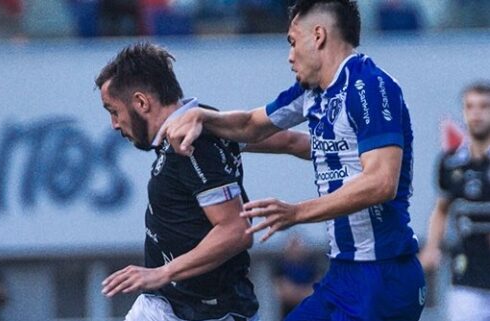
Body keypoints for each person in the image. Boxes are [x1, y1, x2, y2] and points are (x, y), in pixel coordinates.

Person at [160, 0, 426, 320]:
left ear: (318, 36)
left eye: (291, 41)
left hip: (385, 275)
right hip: (342, 275)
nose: (289, 55)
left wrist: (296, 212)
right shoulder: (312, 93)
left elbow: (381, 182)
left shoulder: (370, 86)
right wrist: (200, 116)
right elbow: (250, 125)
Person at [95, 42, 260, 321]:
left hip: (208, 312)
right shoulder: (202, 121)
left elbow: (237, 230)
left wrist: (161, 272)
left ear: (141, 103)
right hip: (167, 303)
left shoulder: (188, 146)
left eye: (113, 110)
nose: (114, 123)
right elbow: (287, 140)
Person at [419, 81, 490, 321]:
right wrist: (431, 248)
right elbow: (441, 209)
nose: (477, 113)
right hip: (466, 273)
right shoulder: (450, 163)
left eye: (484, 106)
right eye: (470, 107)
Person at [272, 234, 324, 319]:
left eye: (297, 246)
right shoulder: (280, 267)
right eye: (293, 246)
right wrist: (304, 293)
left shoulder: (312, 266)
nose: (295, 249)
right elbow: (283, 292)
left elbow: (316, 291)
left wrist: (295, 292)